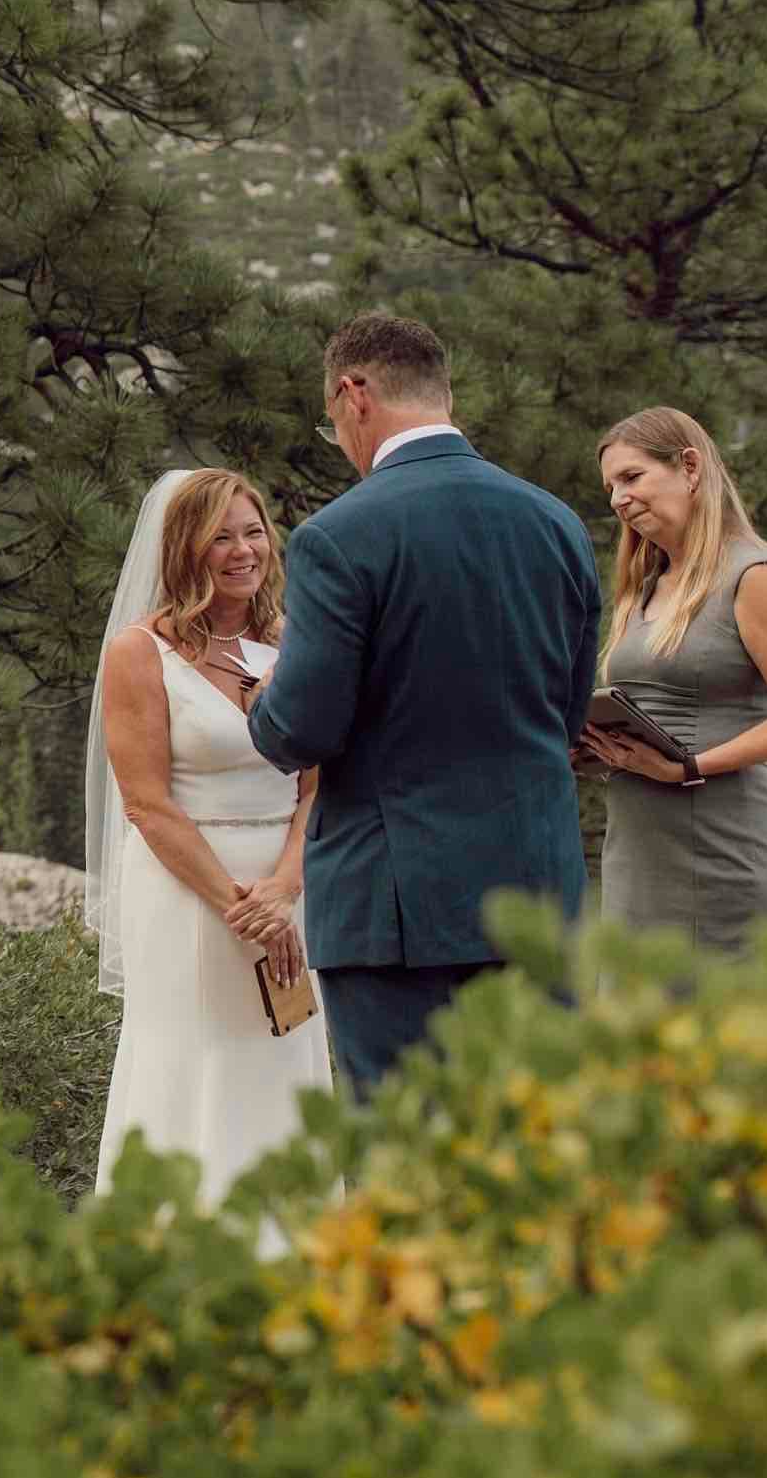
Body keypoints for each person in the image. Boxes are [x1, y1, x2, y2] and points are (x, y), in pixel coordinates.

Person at [246, 314, 600, 1099]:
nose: (337, 437)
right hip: (537, 895)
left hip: (397, 911)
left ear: (353, 393)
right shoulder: (556, 523)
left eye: (331, 420)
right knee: (537, 1147)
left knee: (401, 1157)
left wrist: (265, 703)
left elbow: (302, 726)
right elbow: (568, 715)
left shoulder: (339, 536)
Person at [86, 468, 332, 1202]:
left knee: (283, 1052)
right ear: (182, 549)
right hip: (188, 889)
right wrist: (242, 905)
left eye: (252, 532)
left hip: (288, 882)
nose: (241, 551)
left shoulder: (292, 643)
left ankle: (288, 1240)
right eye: (219, 536)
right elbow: (147, 803)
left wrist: (285, 887)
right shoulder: (139, 653)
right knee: (193, 1054)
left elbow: (317, 782)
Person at [580, 407, 767, 949]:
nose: (618, 498)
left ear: (690, 467)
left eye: (631, 477)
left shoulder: (755, 576)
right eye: (610, 487)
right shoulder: (646, 585)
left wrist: (686, 768)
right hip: (639, 860)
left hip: (724, 860)